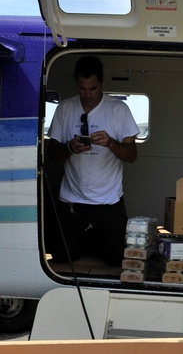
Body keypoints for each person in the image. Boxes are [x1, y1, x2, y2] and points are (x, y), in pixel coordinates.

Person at [45, 55, 138, 267]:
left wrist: (111, 143)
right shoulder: (65, 109)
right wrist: (70, 147)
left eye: (93, 88)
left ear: (103, 80)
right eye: (82, 88)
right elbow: (52, 155)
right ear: (75, 81)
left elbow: (132, 155)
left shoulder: (118, 110)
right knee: (60, 257)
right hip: (72, 202)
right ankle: (89, 240)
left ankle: (96, 240)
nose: (87, 95)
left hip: (109, 202)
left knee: (117, 260)